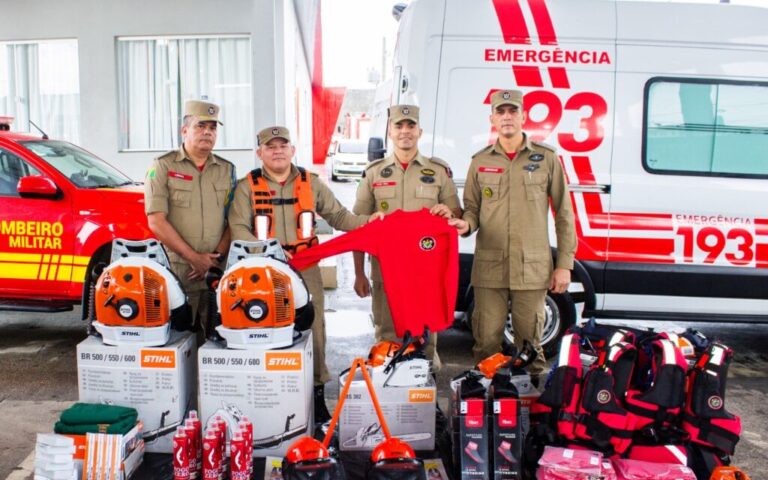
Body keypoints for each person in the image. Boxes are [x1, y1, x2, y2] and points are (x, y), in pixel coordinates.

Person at [228, 126, 381, 421]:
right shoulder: (247, 186)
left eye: (282, 145)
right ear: (259, 152)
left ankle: (317, 392)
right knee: (263, 327)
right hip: (263, 270)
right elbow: (238, 228)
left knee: (315, 329)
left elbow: (339, 216)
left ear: (292, 150)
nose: (277, 150)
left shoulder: (311, 183)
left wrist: (369, 223)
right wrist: (267, 252)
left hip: (307, 267)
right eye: (270, 146)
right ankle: (271, 391)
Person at [447, 89, 577, 382]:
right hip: (490, 267)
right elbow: (472, 209)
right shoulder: (479, 161)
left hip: (531, 267)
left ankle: (529, 409)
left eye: (513, 111)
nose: (507, 117)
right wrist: (465, 225)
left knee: (530, 345)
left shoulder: (546, 159)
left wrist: (564, 264)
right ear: (492, 118)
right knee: (486, 342)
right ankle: (485, 407)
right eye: (501, 112)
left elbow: (564, 213)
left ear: (523, 115)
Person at [352, 104, 461, 370]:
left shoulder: (437, 172)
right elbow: (358, 227)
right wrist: (359, 273)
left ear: (419, 131)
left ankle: (425, 398)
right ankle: (388, 402)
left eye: (410, 126)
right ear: (390, 131)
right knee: (388, 339)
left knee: (425, 340)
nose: (405, 132)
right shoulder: (374, 173)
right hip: (386, 273)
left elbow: (456, 212)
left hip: (426, 274)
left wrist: (449, 212)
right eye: (399, 126)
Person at [144, 100, 236, 338]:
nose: (207, 132)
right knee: (176, 338)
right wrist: (194, 258)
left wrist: (214, 258)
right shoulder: (162, 166)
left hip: (216, 271)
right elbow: (156, 221)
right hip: (178, 270)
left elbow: (234, 219)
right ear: (184, 130)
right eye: (200, 125)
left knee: (217, 339)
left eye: (213, 127)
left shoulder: (227, 169)